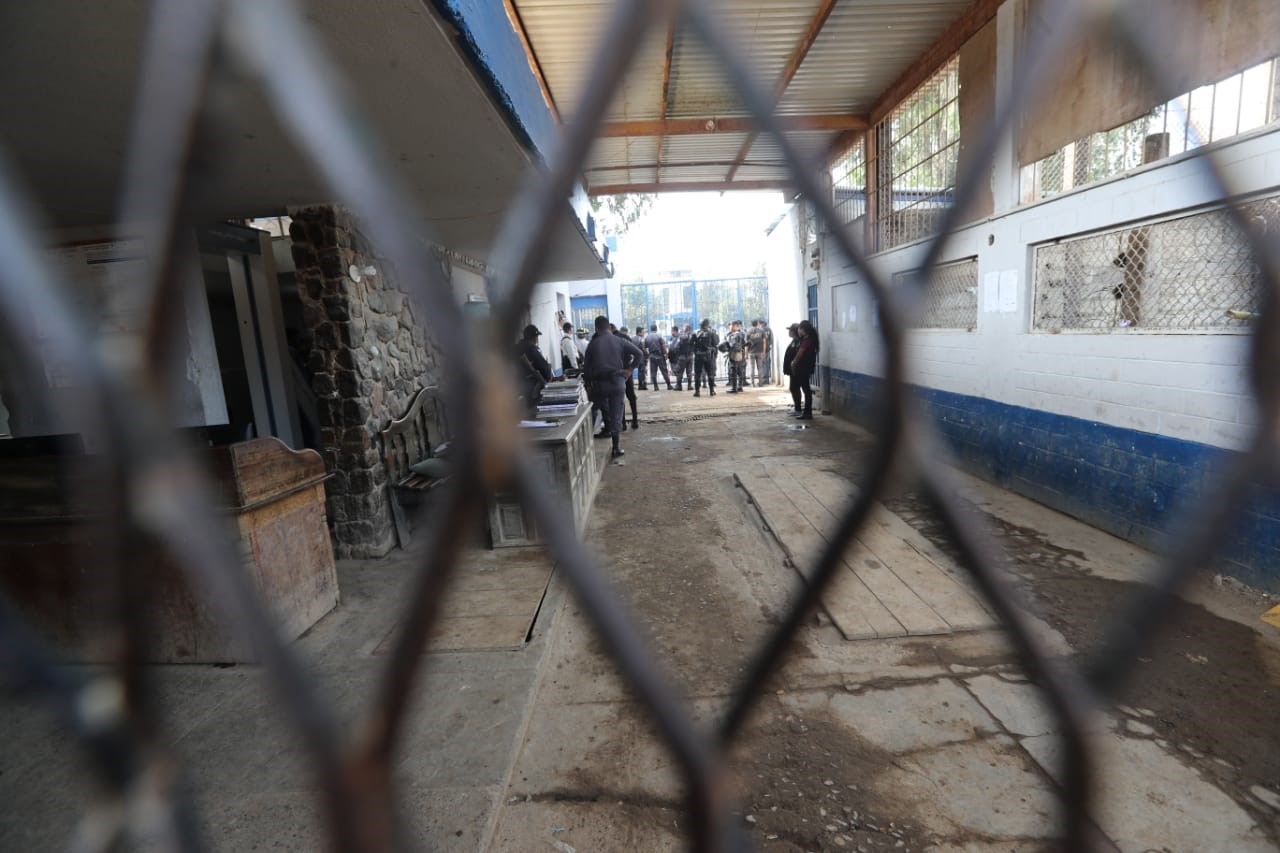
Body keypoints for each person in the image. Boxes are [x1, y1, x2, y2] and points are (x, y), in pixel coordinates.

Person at [584, 315, 643, 459]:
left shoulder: (592, 344)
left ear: (597, 328)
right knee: (616, 413)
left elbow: (587, 369)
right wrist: (629, 370)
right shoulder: (620, 340)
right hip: (617, 382)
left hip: (599, 384)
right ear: (609, 328)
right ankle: (616, 448)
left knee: (591, 412)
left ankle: (585, 446)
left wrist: (588, 385)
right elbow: (639, 354)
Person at [514, 324, 558, 415]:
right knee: (534, 412)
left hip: (518, 387)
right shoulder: (532, 348)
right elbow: (544, 367)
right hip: (533, 387)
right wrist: (548, 377)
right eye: (537, 337)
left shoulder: (517, 347)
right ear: (534, 337)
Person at [792, 320, 820, 420]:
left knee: (806, 390)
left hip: (803, 368)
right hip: (806, 367)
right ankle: (807, 412)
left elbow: (800, 354)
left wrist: (793, 363)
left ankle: (807, 413)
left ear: (803, 329)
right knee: (806, 390)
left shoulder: (807, 341)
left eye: (799, 328)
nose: (798, 331)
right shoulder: (810, 339)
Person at [615, 325, 641, 429]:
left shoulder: (612, 339)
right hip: (627, 370)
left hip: (616, 371)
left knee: (619, 397)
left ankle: (623, 423)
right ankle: (635, 421)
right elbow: (637, 353)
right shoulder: (626, 338)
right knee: (631, 396)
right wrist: (631, 368)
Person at [691, 318, 719, 397]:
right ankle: (712, 391)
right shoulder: (711, 333)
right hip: (708, 356)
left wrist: (695, 351)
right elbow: (715, 343)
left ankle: (697, 392)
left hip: (698, 356)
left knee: (697, 374)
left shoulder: (695, 333)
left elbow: (690, 344)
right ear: (707, 324)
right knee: (710, 373)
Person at [644, 324, 673, 390]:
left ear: (651, 329)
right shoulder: (659, 336)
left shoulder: (647, 337)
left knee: (653, 372)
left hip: (652, 356)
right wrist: (666, 354)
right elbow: (663, 346)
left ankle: (656, 387)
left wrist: (648, 354)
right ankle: (669, 385)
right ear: (656, 329)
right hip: (659, 356)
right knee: (664, 371)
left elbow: (644, 348)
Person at [724, 320, 748, 393]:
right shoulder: (742, 334)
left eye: (732, 326)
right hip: (740, 354)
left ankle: (734, 388)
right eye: (730, 326)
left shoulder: (735, 335)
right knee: (740, 371)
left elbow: (732, 345)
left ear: (736, 326)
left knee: (733, 371)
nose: (730, 327)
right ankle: (740, 387)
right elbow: (745, 344)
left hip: (735, 354)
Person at [782, 323, 800, 414]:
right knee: (793, 388)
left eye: (790, 330)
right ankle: (797, 408)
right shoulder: (794, 341)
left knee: (794, 388)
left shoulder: (797, 341)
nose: (789, 332)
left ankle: (798, 409)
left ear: (794, 332)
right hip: (792, 369)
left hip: (795, 369)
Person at [746, 320, 767, 387]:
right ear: (757, 324)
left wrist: (745, 354)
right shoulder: (761, 331)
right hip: (760, 352)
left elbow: (746, 345)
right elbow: (764, 342)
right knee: (760, 368)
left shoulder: (748, 332)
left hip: (751, 352)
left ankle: (752, 383)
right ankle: (761, 383)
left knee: (752, 368)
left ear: (751, 324)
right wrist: (763, 351)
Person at [675, 324, 694, 391]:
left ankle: (679, 386)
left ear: (685, 329)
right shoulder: (692, 337)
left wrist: (677, 355)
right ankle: (689, 386)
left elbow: (676, 347)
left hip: (682, 357)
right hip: (690, 356)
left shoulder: (680, 337)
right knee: (689, 372)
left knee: (680, 372)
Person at [632, 326, 649, 390]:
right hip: (641, 357)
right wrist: (647, 354)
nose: (644, 333)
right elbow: (643, 348)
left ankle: (635, 385)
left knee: (635, 371)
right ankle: (641, 385)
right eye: (643, 332)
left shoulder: (632, 338)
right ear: (639, 332)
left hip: (634, 357)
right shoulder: (641, 339)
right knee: (642, 372)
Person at [760, 319, 774, 385]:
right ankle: (767, 380)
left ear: (761, 324)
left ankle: (763, 380)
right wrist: (770, 345)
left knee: (762, 365)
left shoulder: (760, 330)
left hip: (761, 350)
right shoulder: (769, 329)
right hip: (768, 349)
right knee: (767, 364)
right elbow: (771, 339)